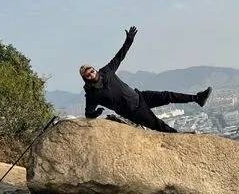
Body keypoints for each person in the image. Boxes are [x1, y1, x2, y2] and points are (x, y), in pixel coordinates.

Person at [80, 26, 212, 133]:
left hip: (139, 96)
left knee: (167, 96)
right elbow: (88, 114)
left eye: (92, 70)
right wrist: (96, 113)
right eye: (88, 74)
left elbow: (119, 57)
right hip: (134, 111)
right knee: (159, 126)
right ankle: (181, 139)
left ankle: (197, 98)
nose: (92, 73)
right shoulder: (92, 95)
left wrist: (129, 41)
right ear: (85, 78)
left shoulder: (106, 71)